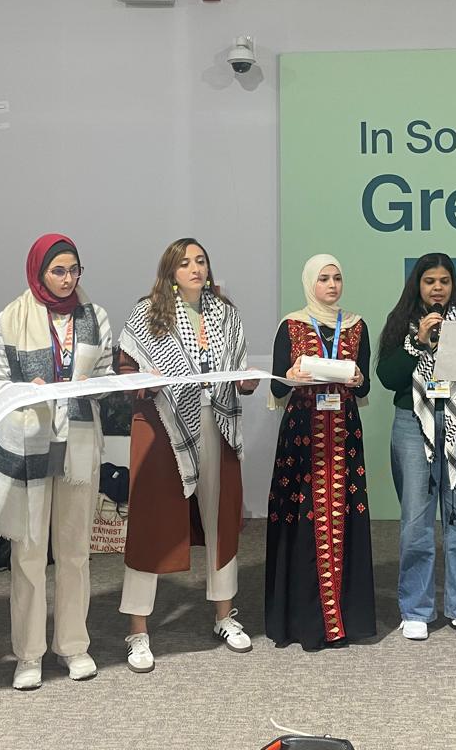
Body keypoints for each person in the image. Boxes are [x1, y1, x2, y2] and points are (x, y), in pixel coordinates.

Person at [117, 238, 259, 672]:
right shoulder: (148, 312)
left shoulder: (226, 313)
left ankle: (224, 615)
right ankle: (138, 631)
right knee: (151, 524)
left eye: (201, 261)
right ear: (170, 272)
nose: (195, 268)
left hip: (217, 422)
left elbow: (238, 371)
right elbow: (125, 370)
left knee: (221, 519)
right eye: (185, 263)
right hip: (163, 424)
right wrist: (146, 381)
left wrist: (246, 382)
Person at [0, 234, 113, 691]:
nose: (68, 278)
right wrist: (25, 391)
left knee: (75, 552)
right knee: (30, 554)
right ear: (39, 271)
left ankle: (74, 646)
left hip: (78, 442)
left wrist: (91, 385)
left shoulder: (94, 316)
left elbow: (106, 376)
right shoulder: (11, 317)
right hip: (29, 444)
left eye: (74, 270)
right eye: (58, 270)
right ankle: (29, 654)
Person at [377, 253, 456, 641]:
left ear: (453, 285)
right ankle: (416, 608)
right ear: (418, 285)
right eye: (430, 281)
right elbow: (388, 378)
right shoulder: (401, 322)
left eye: (444, 281)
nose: (437, 288)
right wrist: (417, 343)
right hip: (413, 424)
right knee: (416, 518)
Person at [266, 254, 374, 650]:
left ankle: (343, 621)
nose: (331, 285)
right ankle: (306, 623)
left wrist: (358, 378)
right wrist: (291, 376)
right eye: (324, 279)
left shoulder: (357, 325)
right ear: (310, 282)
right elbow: (277, 386)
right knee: (302, 521)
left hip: (344, 436)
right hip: (302, 438)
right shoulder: (291, 325)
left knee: (344, 517)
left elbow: (365, 386)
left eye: (337, 278)